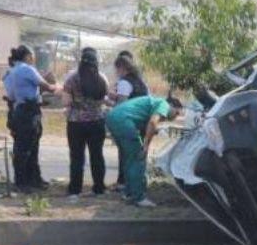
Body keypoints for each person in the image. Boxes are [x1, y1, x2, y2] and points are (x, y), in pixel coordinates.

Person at [105, 94, 182, 208]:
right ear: (172, 105)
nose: (174, 117)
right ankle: (139, 198)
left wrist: (146, 138)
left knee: (129, 159)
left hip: (113, 117)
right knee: (138, 159)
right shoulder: (163, 104)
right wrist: (145, 146)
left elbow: (145, 125)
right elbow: (152, 123)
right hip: (124, 121)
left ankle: (129, 193)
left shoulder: (151, 103)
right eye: (176, 113)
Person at [6, 45, 58, 193]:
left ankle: (31, 179)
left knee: (23, 147)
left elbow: (11, 95)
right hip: (29, 112)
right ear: (28, 56)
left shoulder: (11, 72)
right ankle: (24, 182)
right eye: (32, 56)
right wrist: (56, 87)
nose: (34, 58)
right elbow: (47, 86)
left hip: (18, 111)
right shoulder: (27, 69)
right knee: (29, 147)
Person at [62, 48, 109, 198]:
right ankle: (99, 188)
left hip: (76, 123)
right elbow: (105, 99)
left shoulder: (72, 79)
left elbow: (66, 101)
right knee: (97, 155)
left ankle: (75, 190)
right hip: (97, 122)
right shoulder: (102, 78)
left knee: (76, 157)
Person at [110, 52, 148, 192]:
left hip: (129, 123)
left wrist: (110, 100)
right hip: (142, 122)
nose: (116, 72)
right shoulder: (141, 81)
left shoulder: (124, 82)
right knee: (138, 154)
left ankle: (124, 183)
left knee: (126, 155)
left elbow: (122, 105)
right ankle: (138, 183)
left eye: (117, 69)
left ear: (122, 68)